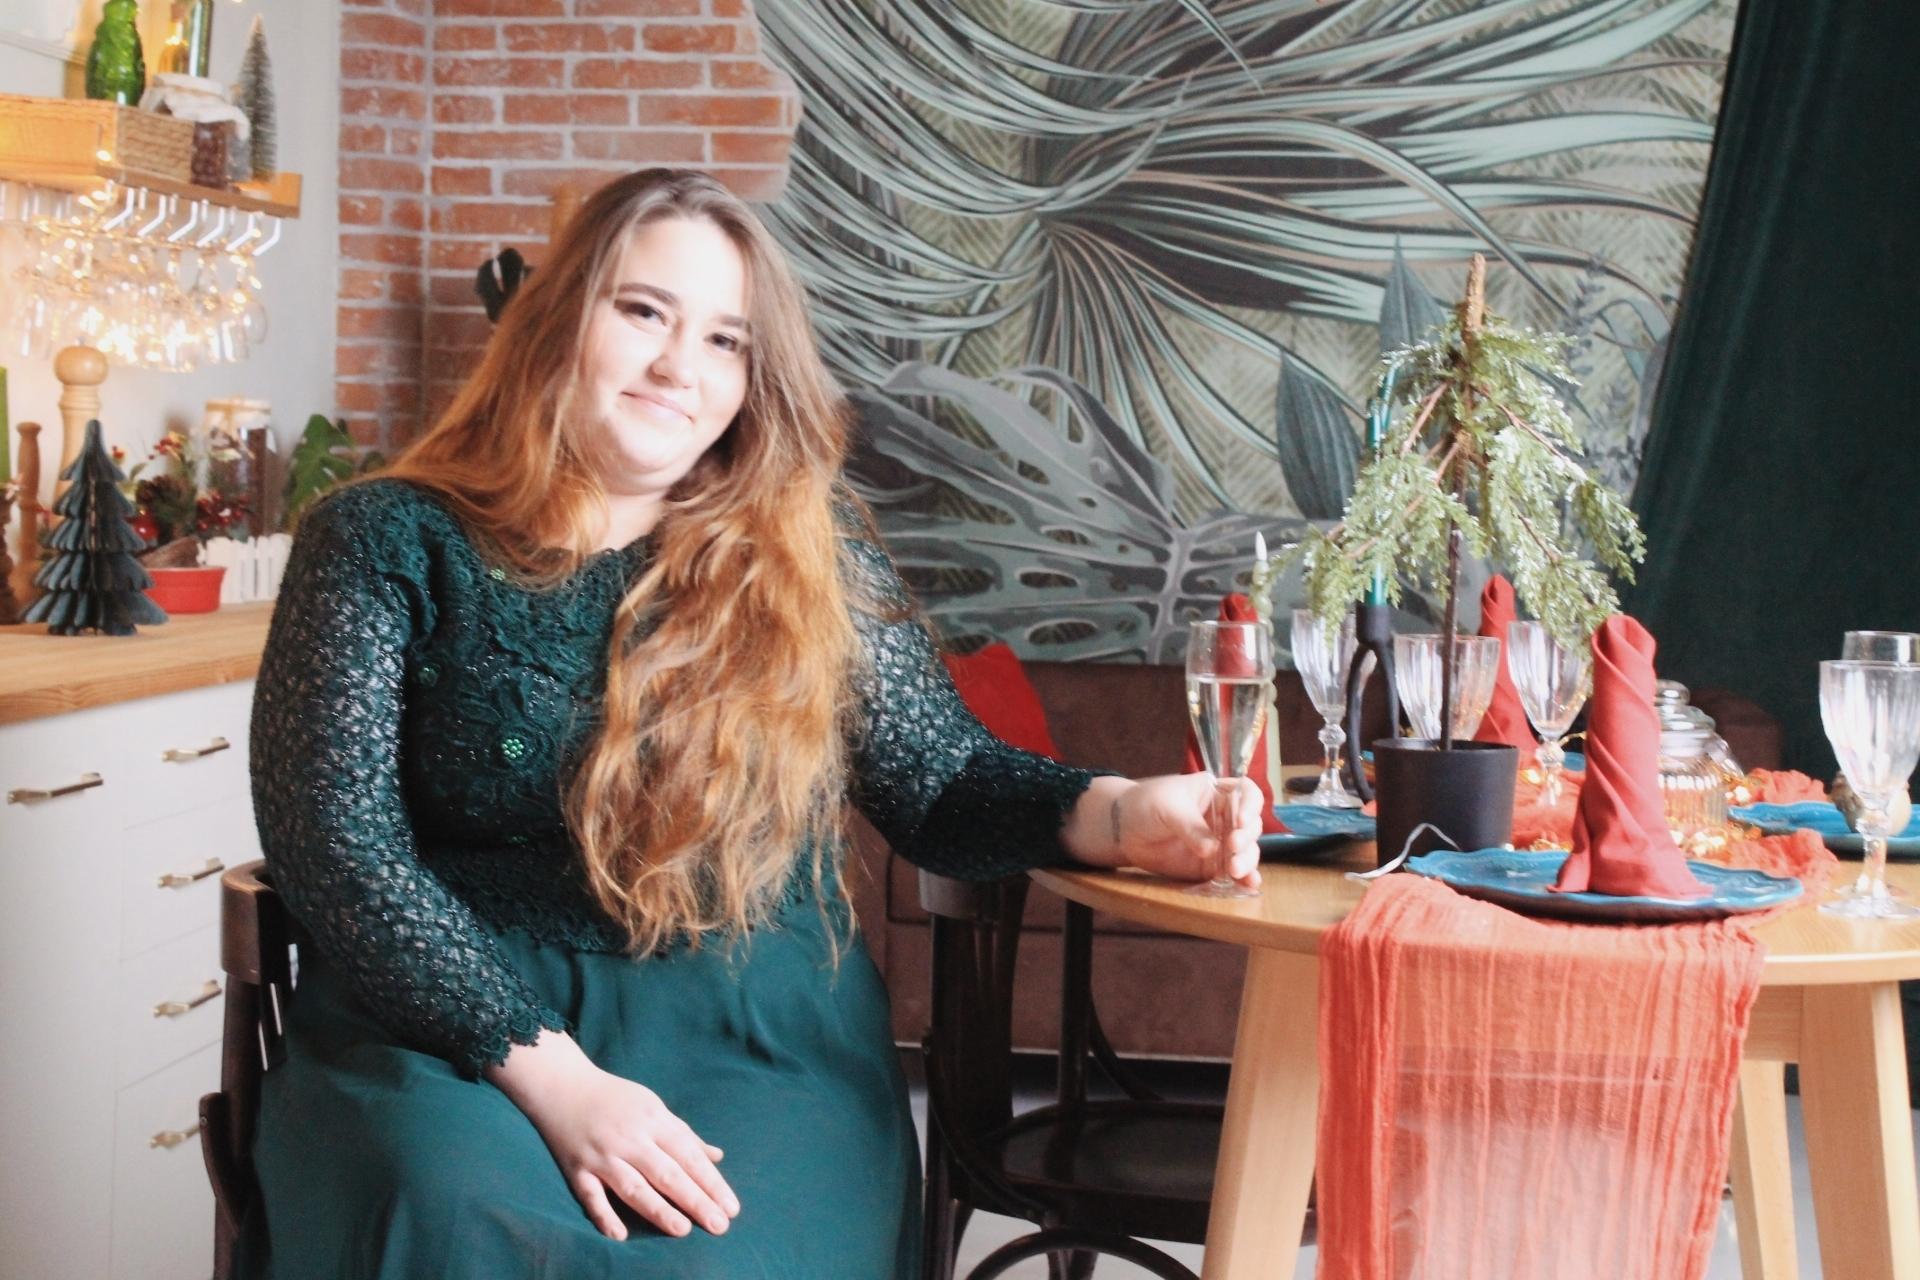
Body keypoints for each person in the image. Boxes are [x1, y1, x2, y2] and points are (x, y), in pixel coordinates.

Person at [237, 167, 1263, 1279]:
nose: (681, 366)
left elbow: (941, 779)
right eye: (645, 312)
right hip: (449, 1023)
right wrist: (553, 1075)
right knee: (451, 1218)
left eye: (726, 340)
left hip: (754, 1027)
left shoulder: (808, 551)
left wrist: (1119, 811)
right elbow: (337, 847)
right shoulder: (381, 538)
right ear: (558, 319)